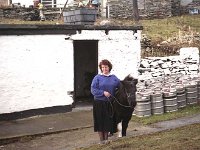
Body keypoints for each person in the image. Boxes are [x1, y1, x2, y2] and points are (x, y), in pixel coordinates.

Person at [91, 59, 120, 144]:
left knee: (107, 121)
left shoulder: (114, 78)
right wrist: (103, 92)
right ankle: (101, 140)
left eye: (106, 67)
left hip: (109, 103)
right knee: (100, 121)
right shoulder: (97, 78)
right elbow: (93, 90)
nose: (104, 69)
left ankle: (106, 140)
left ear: (109, 67)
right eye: (102, 67)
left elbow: (120, 86)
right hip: (99, 103)